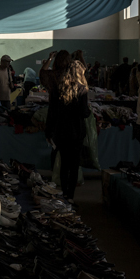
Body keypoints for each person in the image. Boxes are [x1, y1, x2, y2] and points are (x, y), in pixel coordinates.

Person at [46, 60, 91, 200]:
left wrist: (48, 131)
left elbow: (51, 112)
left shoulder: (57, 88)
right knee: (74, 165)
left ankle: (64, 194)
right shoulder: (82, 89)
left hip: (60, 131)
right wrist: (90, 111)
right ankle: (70, 196)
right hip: (76, 132)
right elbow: (84, 113)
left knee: (64, 165)